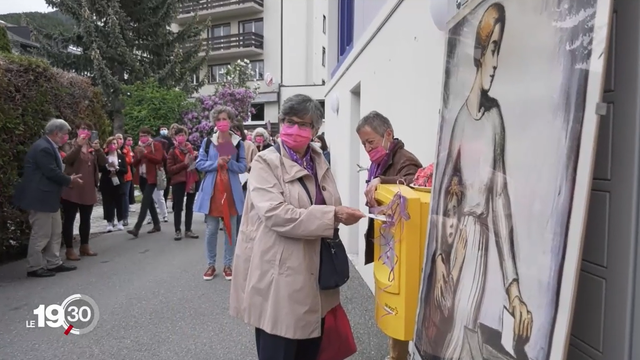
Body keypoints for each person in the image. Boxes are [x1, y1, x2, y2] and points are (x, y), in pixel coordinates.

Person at [229, 94, 365, 360]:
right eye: (289, 121)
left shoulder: (319, 160)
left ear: (315, 130)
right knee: (279, 345)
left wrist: (343, 212)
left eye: (303, 124)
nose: (294, 129)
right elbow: (277, 215)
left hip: (315, 272)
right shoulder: (265, 162)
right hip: (278, 274)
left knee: (310, 349)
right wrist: (333, 215)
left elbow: (329, 201)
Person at [356, 110, 422, 360]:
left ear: (388, 135)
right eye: (363, 144)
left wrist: (382, 180)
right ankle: (396, 354)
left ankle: (399, 356)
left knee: (401, 300)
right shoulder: (380, 160)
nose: (367, 148)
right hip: (389, 240)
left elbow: (412, 184)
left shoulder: (405, 159)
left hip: (403, 243)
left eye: (370, 141)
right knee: (391, 296)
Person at [13, 118, 82, 277]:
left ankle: (53, 262)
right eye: (65, 134)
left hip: (49, 197)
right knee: (41, 233)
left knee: (55, 231)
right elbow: (50, 171)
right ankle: (34, 266)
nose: (66, 137)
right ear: (56, 133)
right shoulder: (43, 148)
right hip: (40, 197)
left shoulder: (49, 146)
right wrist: (69, 180)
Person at [194, 105, 247, 281]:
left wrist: (229, 163)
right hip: (212, 192)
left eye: (225, 119)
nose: (222, 123)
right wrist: (216, 163)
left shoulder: (237, 143)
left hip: (231, 191)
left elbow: (243, 167)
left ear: (230, 121)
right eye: (218, 119)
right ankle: (211, 264)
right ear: (214, 122)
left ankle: (228, 264)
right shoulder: (209, 142)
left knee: (230, 229)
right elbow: (200, 164)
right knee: (211, 230)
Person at [60, 122, 107, 260]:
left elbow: (103, 163)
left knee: (86, 219)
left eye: (88, 129)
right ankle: (69, 249)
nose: (85, 131)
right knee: (70, 219)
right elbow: (67, 159)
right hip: (72, 187)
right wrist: (79, 145)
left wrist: (98, 150)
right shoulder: (69, 144)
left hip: (88, 187)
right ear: (77, 130)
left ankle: (84, 246)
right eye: (83, 128)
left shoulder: (93, 146)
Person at [128, 127, 165, 237]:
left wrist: (145, 154)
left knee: (145, 202)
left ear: (149, 136)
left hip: (152, 177)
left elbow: (158, 159)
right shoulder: (139, 147)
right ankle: (157, 224)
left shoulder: (156, 145)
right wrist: (139, 156)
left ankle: (137, 227)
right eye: (140, 136)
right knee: (149, 202)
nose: (143, 138)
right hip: (142, 177)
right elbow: (134, 164)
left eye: (145, 136)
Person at [166, 126, 200, 241]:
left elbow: (195, 166)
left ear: (186, 136)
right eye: (179, 135)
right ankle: (177, 230)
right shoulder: (172, 151)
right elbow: (170, 170)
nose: (181, 137)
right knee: (178, 207)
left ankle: (188, 230)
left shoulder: (191, 149)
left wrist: (196, 158)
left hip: (191, 179)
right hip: (178, 181)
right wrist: (184, 164)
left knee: (189, 206)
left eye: (183, 135)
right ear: (175, 137)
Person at [231, 122, 256, 235]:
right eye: (232, 130)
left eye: (237, 130)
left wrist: (248, 167)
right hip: (231, 181)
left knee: (242, 210)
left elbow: (256, 163)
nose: (235, 133)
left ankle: (241, 234)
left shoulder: (249, 145)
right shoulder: (227, 145)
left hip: (246, 181)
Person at [99, 136, 128, 232]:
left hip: (118, 182)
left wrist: (117, 168)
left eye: (114, 143)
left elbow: (125, 170)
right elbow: (99, 168)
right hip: (107, 182)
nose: (112, 145)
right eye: (110, 143)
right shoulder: (104, 156)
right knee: (108, 203)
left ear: (117, 145)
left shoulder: (121, 157)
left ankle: (120, 221)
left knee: (119, 202)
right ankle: (109, 222)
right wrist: (107, 166)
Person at [154, 124, 174, 206]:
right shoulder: (156, 140)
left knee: (167, 184)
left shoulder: (170, 140)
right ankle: (158, 201)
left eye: (165, 129)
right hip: (160, 164)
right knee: (159, 183)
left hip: (168, 164)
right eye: (162, 129)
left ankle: (164, 202)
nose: (163, 130)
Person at [117, 133, 134, 226]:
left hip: (126, 176)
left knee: (125, 197)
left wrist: (121, 157)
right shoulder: (111, 149)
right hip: (115, 177)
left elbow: (129, 161)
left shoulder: (126, 150)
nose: (119, 140)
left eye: (121, 138)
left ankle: (125, 217)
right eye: (117, 139)